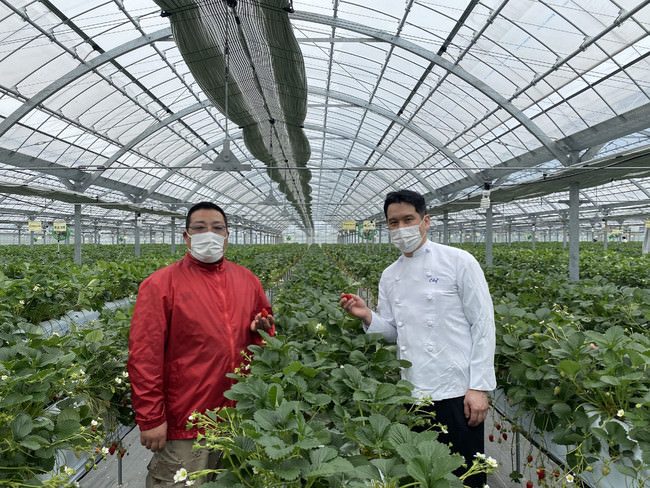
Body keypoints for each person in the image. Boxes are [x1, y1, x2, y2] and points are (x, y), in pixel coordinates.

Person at [340, 189, 496, 488]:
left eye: (408, 219)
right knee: (421, 474)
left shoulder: (459, 262)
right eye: (393, 222)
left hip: (457, 391)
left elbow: (483, 325)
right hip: (412, 392)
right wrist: (367, 316)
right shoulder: (389, 275)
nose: (401, 229)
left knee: (463, 474)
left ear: (425, 221)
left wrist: (479, 386)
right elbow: (395, 333)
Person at [128, 201, 275, 487]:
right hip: (187, 421)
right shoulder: (159, 285)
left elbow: (264, 336)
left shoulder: (248, 281)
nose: (209, 233)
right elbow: (145, 357)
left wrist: (263, 330)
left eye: (217, 228)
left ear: (227, 236)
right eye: (200, 227)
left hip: (238, 417)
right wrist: (150, 418)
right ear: (186, 236)